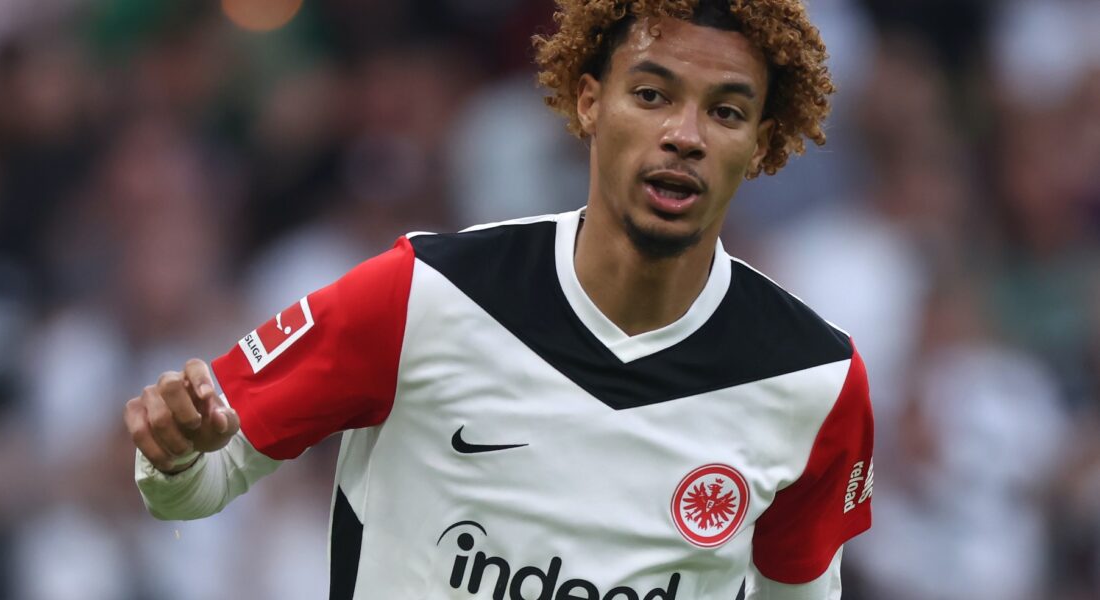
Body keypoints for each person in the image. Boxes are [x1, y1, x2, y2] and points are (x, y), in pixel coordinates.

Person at [123, 1, 874, 598]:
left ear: (763, 142)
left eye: (727, 112)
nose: (685, 135)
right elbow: (199, 483)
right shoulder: (424, 293)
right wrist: (173, 455)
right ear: (589, 101)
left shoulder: (815, 381)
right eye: (651, 95)